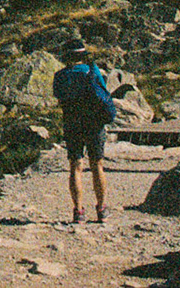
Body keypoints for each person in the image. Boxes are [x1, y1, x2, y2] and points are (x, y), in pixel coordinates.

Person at [51, 39, 116, 223]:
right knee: (97, 165)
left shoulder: (60, 76)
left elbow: (59, 98)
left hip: (72, 122)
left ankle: (78, 211)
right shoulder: (91, 71)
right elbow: (103, 92)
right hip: (94, 122)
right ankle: (101, 209)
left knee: (75, 166)